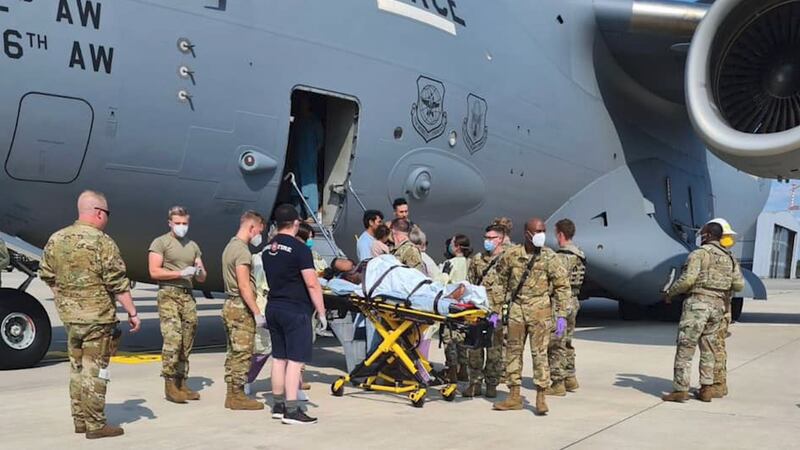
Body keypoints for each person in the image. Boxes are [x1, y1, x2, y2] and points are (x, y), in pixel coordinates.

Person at [39, 190, 141, 439]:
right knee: (95, 370)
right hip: (97, 319)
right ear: (98, 212)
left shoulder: (57, 238)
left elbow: (46, 273)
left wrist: (64, 297)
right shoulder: (102, 242)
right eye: (107, 213)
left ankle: (80, 420)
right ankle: (96, 424)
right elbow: (117, 282)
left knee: (76, 368)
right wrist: (132, 311)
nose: (107, 218)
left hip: (70, 318)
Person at [492, 218, 570, 415]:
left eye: (543, 230)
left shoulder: (550, 257)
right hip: (517, 309)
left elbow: (562, 286)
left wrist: (562, 315)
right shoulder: (512, 255)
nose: (541, 235)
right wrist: (495, 310)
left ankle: (541, 397)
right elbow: (499, 281)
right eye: (537, 231)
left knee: (539, 354)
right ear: (526, 233)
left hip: (540, 311)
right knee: (513, 352)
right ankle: (514, 396)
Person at [662, 220, 744, 403]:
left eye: (702, 235)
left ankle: (680, 390)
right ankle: (707, 388)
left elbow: (687, 280)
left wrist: (670, 293)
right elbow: (739, 284)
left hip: (698, 305)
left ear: (707, 235)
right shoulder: (730, 258)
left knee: (686, 346)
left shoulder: (698, 254)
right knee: (708, 348)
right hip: (718, 307)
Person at [263, 205, 326, 425]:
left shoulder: (267, 248)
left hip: (274, 307)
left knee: (279, 358)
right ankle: (292, 410)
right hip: (295, 309)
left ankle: (278, 405)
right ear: (296, 223)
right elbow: (312, 283)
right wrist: (322, 311)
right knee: (295, 361)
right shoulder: (300, 250)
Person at [147, 206, 206, 403]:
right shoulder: (160, 243)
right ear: (170, 223)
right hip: (169, 293)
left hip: (187, 295)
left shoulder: (193, 246)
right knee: (173, 338)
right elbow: (154, 272)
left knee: (187, 339)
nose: (182, 227)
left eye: (185, 223)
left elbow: (203, 276)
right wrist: (180, 273)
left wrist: (198, 271)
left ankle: (182, 381)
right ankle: (170, 383)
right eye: (178, 223)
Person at [221, 210, 267, 410]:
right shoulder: (242, 251)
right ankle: (237, 395)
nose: (260, 236)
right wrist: (257, 312)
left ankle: (232, 393)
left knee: (233, 352)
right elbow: (244, 285)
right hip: (240, 306)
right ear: (251, 227)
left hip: (231, 304)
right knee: (242, 353)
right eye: (259, 231)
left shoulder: (230, 246)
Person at [464, 223, 510, 398]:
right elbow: (471, 283)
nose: (488, 241)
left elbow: (511, 286)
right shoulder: (477, 259)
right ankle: (474, 383)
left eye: (491, 238)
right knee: (474, 348)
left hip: (496, 313)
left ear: (500, 239)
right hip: (478, 311)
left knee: (494, 350)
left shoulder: (507, 260)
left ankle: (491, 384)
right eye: (486, 238)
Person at [546, 219, 586, 396]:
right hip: (574, 302)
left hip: (560, 306)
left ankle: (558, 382)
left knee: (556, 342)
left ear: (560, 234)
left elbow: (555, 283)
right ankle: (570, 377)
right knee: (567, 340)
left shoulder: (561, 257)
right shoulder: (580, 255)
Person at [709, 218, 738, 398]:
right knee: (717, 347)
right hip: (723, 309)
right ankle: (718, 384)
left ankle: (716, 385)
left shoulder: (706, 256)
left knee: (713, 348)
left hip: (714, 309)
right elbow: (739, 284)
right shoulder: (731, 259)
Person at [440, 234, 472, 382]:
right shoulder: (470, 262)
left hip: (452, 304)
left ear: (457, 246)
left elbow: (442, 284)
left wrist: (444, 274)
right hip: (467, 305)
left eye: (452, 243)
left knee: (450, 338)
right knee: (462, 338)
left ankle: (451, 371)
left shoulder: (450, 263)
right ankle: (463, 370)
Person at [291, 95, 324, 220]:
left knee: (309, 185)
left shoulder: (313, 121)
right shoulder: (299, 121)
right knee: (296, 184)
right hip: (298, 156)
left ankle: (311, 213)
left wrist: (313, 153)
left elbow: (320, 141)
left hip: (308, 157)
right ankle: (298, 212)